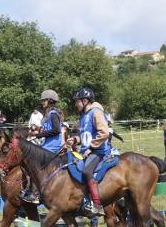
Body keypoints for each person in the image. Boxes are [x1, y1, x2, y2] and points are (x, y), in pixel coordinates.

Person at [67, 87, 110, 216]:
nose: (76, 104)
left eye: (77, 101)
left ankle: (97, 205)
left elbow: (104, 133)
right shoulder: (83, 116)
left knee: (86, 171)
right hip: (87, 151)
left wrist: (91, 148)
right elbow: (86, 136)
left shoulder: (96, 112)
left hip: (98, 151)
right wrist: (75, 140)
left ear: (85, 100)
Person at [19, 89, 64, 203]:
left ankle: (35, 194)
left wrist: (40, 134)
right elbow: (47, 130)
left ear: (50, 101)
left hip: (53, 145)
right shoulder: (47, 114)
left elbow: (56, 130)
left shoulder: (53, 114)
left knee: (34, 163)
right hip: (47, 144)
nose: (42, 102)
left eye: (44, 100)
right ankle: (30, 189)